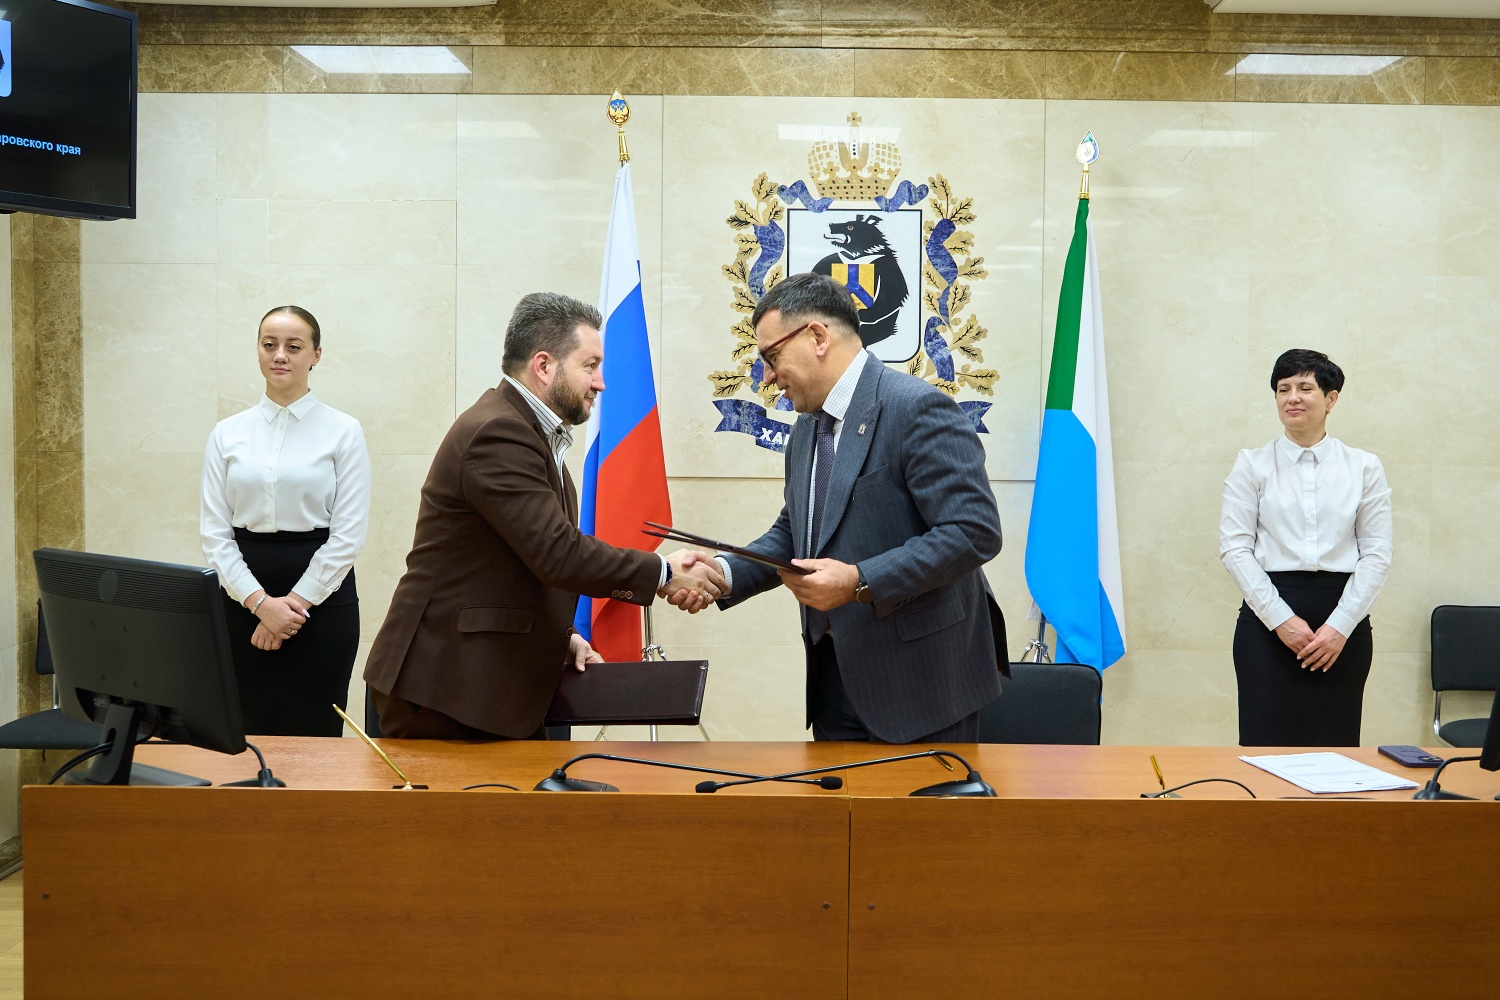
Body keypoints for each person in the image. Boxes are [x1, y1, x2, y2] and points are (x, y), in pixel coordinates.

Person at [364, 292, 723, 740]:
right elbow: (558, 553)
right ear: (544, 366)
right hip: (445, 688)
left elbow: (514, 564)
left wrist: (560, 637)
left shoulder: (531, 433)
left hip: (484, 685)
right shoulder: (498, 433)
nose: (601, 383)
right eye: (590, 365)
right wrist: (664, 572)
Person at [711, 272, 1007, 744]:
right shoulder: (807, 429)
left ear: (817, 336)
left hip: (924, 686)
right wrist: (722, 573)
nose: (765, 377)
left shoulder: (917, 408)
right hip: (835, 682)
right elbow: (797, 532)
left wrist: (858, 580)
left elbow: (972, 531)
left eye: (771, 357)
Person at [201, 305, 371, 737]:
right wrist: (260, 605)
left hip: (322, 599)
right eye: (269, 344)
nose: (280, 355)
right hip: (241, 596)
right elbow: (215, 535)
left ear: (316, 355)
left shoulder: (344, 430)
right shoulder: (227, 433)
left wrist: (292, 606)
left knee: (316, 733)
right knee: (243, 731)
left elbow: (348, 536)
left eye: (294, 347)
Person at [1220, 348, 1393, 747]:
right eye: (1283, 389)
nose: (1292, 398)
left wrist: (1339, 627)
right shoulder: (1252, 464)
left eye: (1304, 388)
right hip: (1267, 621)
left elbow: (1377, 553)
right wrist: (1281, 619)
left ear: (1331, 399)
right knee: (1265, 746)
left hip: (1342, 622)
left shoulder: (1363, 466)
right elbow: (1234, 548)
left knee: (1334, 749)